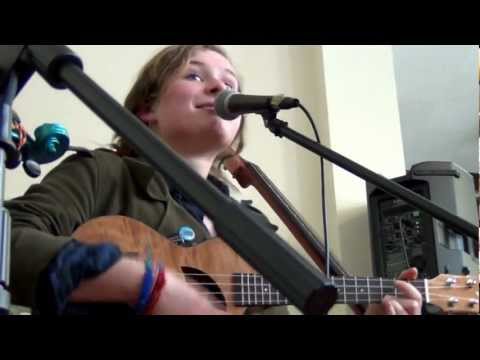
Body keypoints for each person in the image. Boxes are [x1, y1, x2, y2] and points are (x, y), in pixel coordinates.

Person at [5, 45, 422, 315]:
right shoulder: (103, 174)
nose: (221, 84)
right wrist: (145, 285)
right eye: (194, 75)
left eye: (230, 82)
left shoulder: (254, 229)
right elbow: (8, 240)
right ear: (147, 109)